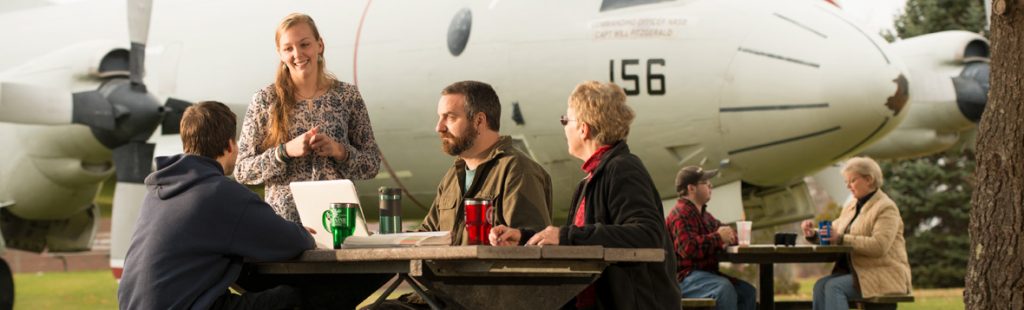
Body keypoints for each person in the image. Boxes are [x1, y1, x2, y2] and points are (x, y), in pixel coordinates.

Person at [489, 81, 679, 310]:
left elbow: (647, 233)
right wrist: (524, 237)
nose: (563, 128)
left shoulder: (623, 168)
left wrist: (565, 236)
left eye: (565, 121)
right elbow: (582, 237)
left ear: (583, 129)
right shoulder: (593, 177)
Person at [117, 101, 315, 310]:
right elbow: (291, 242)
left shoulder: (157, 193)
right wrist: (304, 232)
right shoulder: (220, 193)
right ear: (230, 145)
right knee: (293, 297)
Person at [235, 13, 381, 223]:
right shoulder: (264, 100)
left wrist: (339, 151)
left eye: (304, 44)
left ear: (319, 45)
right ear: (280, 53)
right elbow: (242, 171)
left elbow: (372, 164)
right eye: (288, 48)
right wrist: (284, 152)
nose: (298, 54)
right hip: (284, 227)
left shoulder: (347, 96)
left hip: (338, 222)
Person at [419, 80, 553, 244]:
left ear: (479, 121)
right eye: (440, 117)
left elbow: (533, 244)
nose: (439, 127)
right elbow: (425, 237)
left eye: (450, 117)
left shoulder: (517, 170)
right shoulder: (452, 178)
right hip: (452, 271)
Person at [801, 156, 912, 310]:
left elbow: (879, 246)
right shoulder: (852, 205)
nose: (848, 186)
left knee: (834, 287)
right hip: (861, 274)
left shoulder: (886, 208)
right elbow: (835, 230)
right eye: (846, 182)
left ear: (869, 179)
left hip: (884, 275)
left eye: (852, 181)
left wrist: (840, 238)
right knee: (820, 285)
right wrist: (813, 233)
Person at [666, 166, 756, 310]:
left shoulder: (705, 216)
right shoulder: (680, 214)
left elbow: (727, 233)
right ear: (691, 188)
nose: (710, 185)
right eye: (705, 182)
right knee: (724, 289)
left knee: (748, 293)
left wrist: (729, 237)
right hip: (684, 278)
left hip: (706, 276)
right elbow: (687, 248)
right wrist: (718, 238)